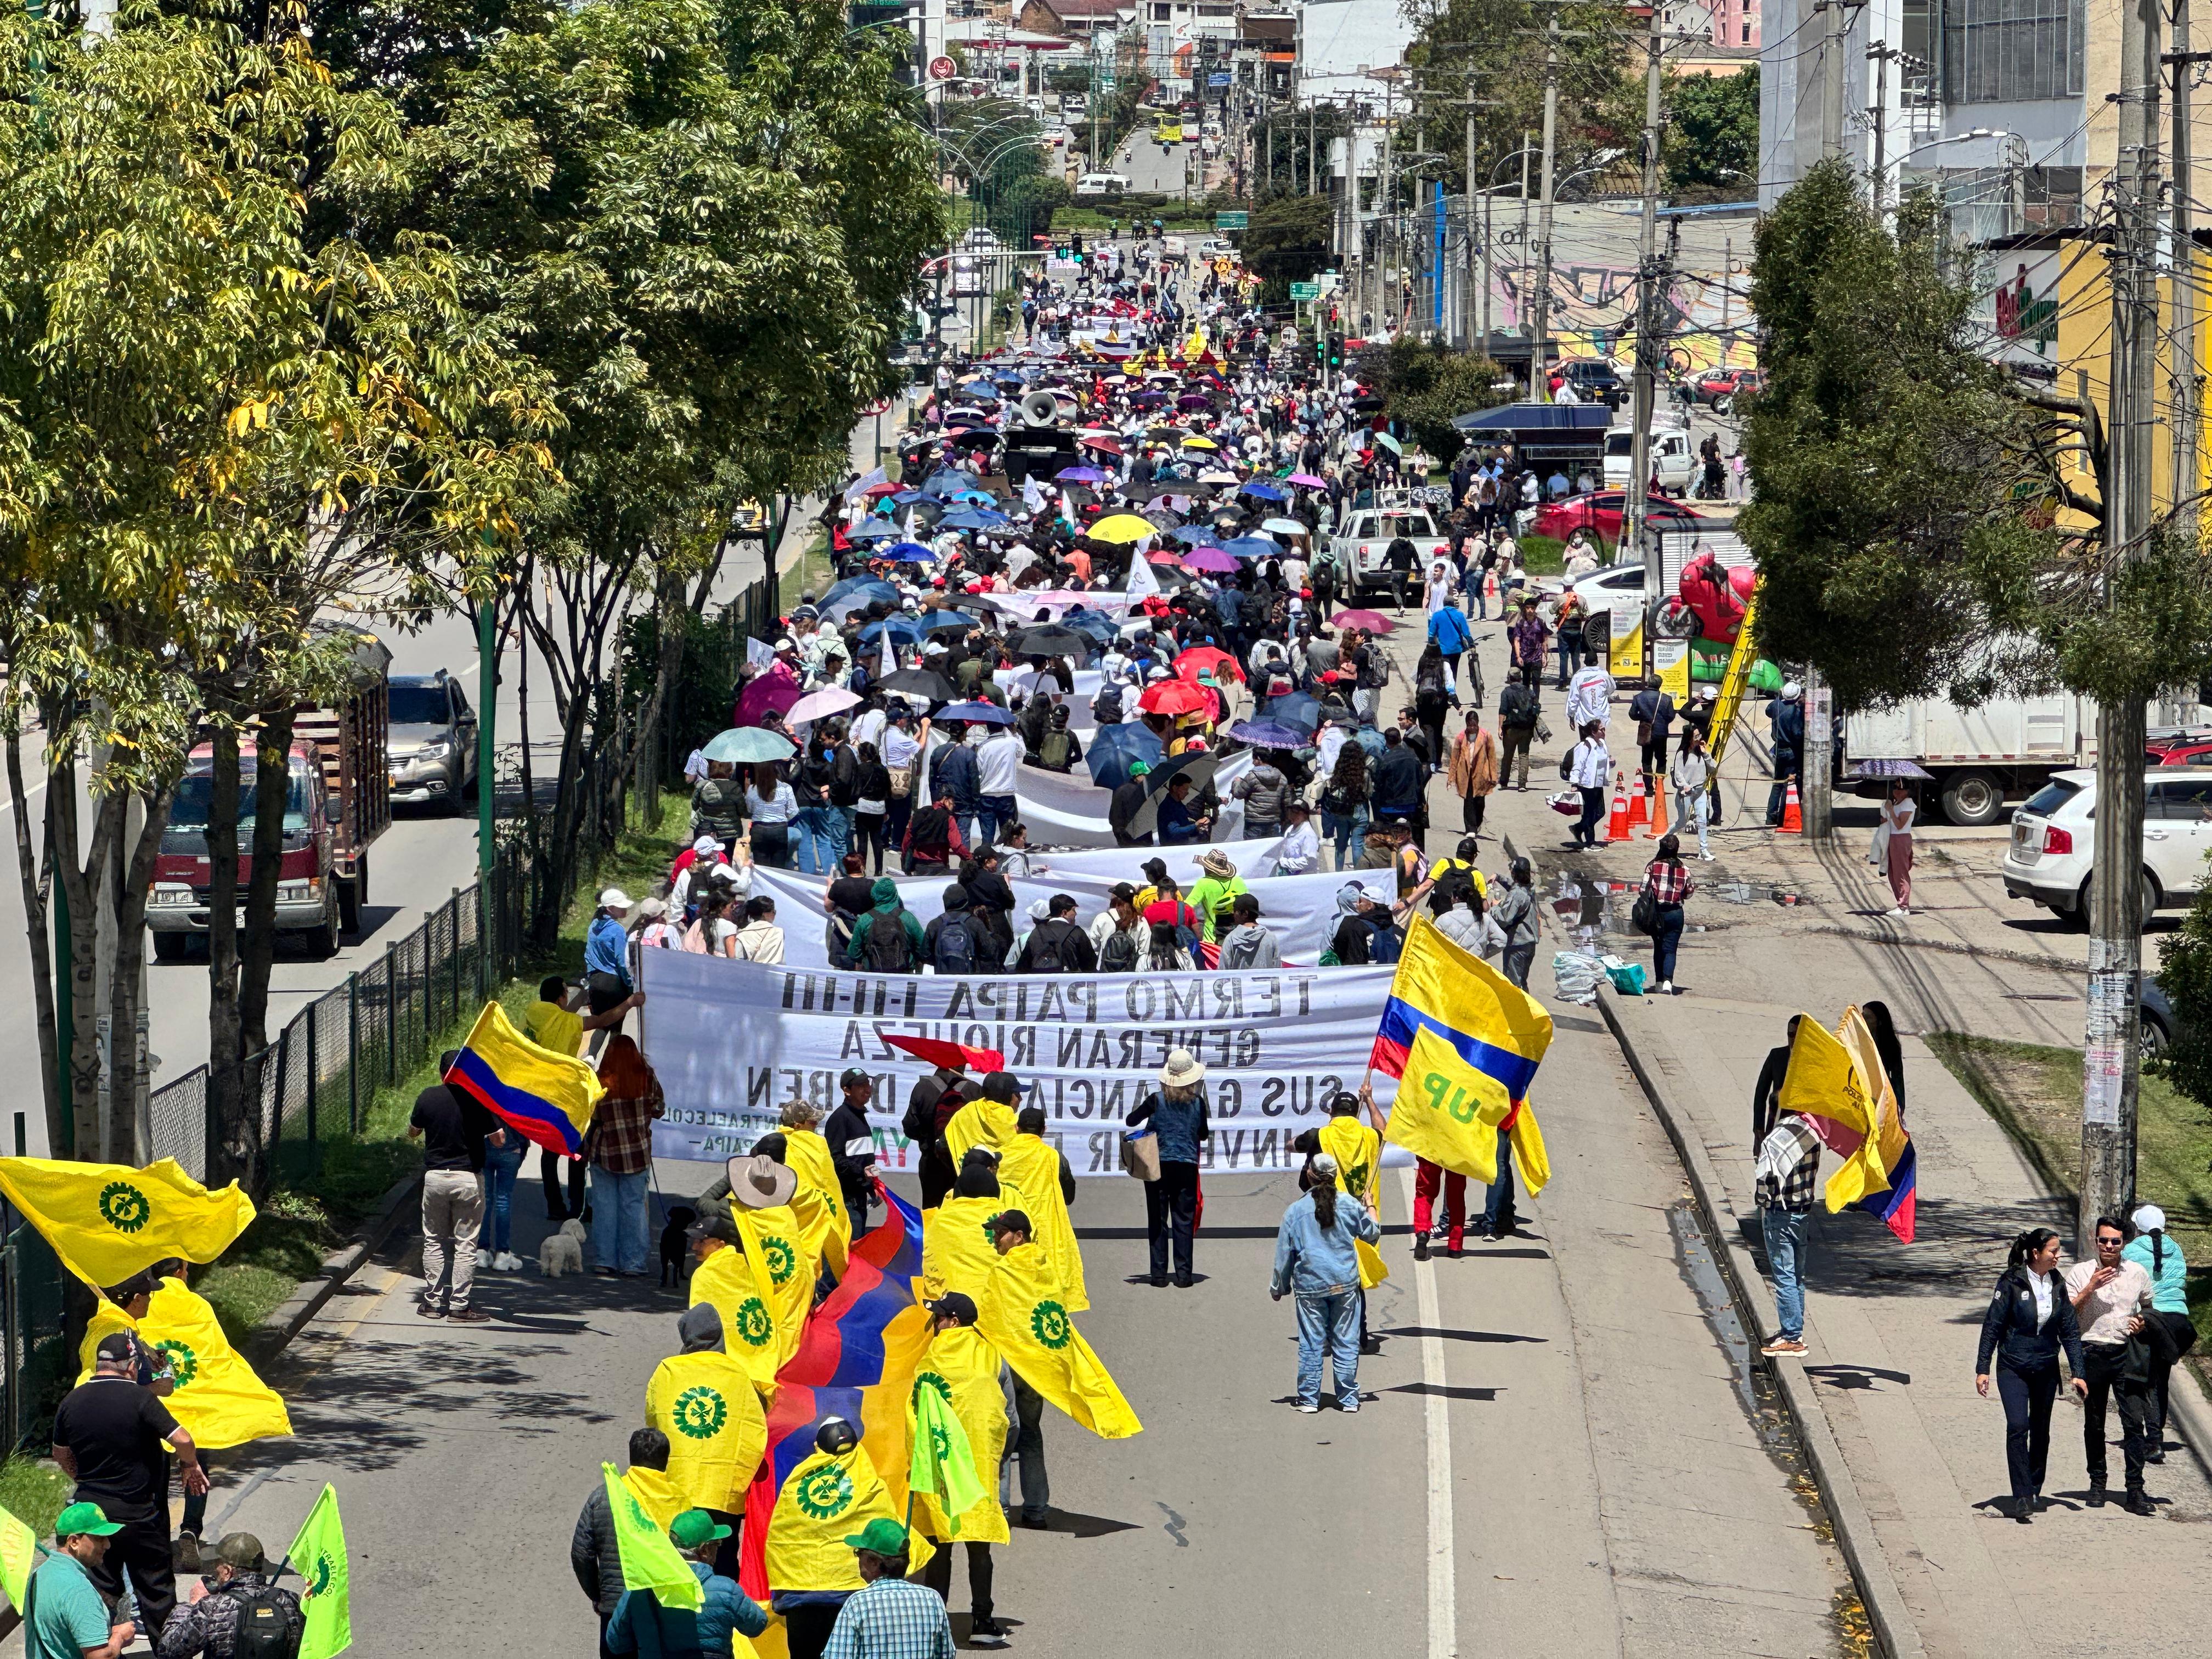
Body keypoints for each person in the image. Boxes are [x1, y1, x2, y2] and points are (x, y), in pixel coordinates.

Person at [51, 1337, 208, 1643]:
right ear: (132, 1366)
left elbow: (60, 1453)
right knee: (156, 1592)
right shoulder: (140, 1398)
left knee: (102, 1592)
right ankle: (166, 1649)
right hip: (141, 1515)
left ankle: (101, 1647)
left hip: (93, 1517)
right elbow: (184, 1440)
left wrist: (83, 1478)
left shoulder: (72, 1401)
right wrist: (190, 1466)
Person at [911, 1294, 1008, 1648]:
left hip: (938, 1469)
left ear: (953, 1321)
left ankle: (935, 1625)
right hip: (978, 1468)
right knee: (979, 1547)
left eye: (938, 1318)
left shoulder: (926, 1361)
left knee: (940, 1547)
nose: (934, 1325)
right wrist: (994, 1459)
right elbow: (1008, 1419)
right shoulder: (992, 1357)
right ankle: (982, 1619)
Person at [1975, 1228, 2088, 1523]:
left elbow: (2069, 1331)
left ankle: (2035, 1486)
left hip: (2046, 1368)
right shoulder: (2011, 1282)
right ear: (2036, 1254)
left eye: (2058, 1250)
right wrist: (1982, 1369)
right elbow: (1992, 1326)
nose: (2058, 1256)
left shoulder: (2058, 1284)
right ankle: (2022, 1495)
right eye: (2053, 1251)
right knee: (2018, 1426)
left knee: (2041, 1430)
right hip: (2013, 1366)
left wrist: (2078, 1372)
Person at [1270, 1152, 1380, 1413]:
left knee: (1311, 1342)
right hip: (1344, 1284)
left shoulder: (1295, 1211)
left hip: (1310, 1286)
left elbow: (1284, 1255)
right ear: (1334, 1177)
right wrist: (1371, 1207)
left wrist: (1279, 1287)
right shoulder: (1350, 1205)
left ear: (1310, 1175)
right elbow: (1373, 1235)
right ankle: (1348, 1399)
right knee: (1346, 1340)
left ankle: (1309, 1399)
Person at [2066, 1215, 2157, 1513]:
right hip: (2091, 1352)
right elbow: (2065, 1315)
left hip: (2125, 1354)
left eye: (2115, 1241)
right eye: (2103, 1240)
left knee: (2134, 1423)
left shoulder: (2137, 1273)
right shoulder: (2080, 1273)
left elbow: (2148, 1308)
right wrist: (2090, 1288)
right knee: (2095, 1423)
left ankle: (2135, 1490)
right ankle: (2097, 1483)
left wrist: (2142, 1323)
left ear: (2124, 1244)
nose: (2108, 1246)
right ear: (2095, 1241)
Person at [408, 1053, 505, 1322]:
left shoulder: (428, 1097)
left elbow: (413, 1131)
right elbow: (499, 1140)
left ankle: (431, 1302)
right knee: (465, 1244)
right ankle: (459, 1306)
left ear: (442, 1074)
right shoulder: (477, 1099)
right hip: (468, 1179)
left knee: (433, 1240)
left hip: (436, 1178)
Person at [605, 1509, 770, 1658]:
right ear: (704, 1551)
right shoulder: (726, 1590)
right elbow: (757, 1625)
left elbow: (615, 1642)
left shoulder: (639, 1588)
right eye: (717, 1545)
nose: (718, 1550)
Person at [1127, 1049, 1210, 1287]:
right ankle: (1184, 1276)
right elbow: (1203, 1134)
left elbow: (1131, 1121)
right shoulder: (1198, 1103)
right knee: (1183, 1220)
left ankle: (1159, 1276)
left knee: (1158, 1219)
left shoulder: (1155, 1100)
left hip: (1157, 1165)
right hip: (1185, 1166)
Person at [153, 1532, 303, 1659]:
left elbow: (168, 1652)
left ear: (227, 1571)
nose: (213, 1569)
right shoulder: (290, 1601)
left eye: (216, 1565)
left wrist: (191, 1605)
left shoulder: (212, 1608)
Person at [588, 1035, 665, 1278]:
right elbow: (660, 1108)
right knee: (634, 1208)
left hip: (605, 1152)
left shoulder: (602, 1080)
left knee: (604, 1208)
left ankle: (605, 1260)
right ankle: (633, 1262)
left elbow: (592, 1114)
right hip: (637, 1152)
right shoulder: (646, 1076)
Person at [820, 1519, 952, 1659]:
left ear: (874, 1563)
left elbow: (837, 1656)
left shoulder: (858, 1604)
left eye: (859, 1553)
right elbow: (946, 1654)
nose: (858, 1560)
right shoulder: (932, 1599)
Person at [2123, 1204, 2193, 1460]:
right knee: (2161, 1378)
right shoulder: (2177, 1249)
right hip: (2177, 1321)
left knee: (2143, 1379)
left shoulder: (2130, 1251)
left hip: (2150, 1319)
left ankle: (2151, 1440)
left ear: (2137, 1228)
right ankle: (2156, 1434)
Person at [24, 1503, 136, 1659]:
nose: (108, 1545)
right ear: (74, 1542)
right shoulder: (79, 1590)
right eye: (100, 1539)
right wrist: (120, 1637)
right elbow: (100, 1657)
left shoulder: (39, 1574)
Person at [1753, 1105, 1820, 1357]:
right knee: (1797, 1276)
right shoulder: (1812, 1133)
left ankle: (1792, 1337)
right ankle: (1793, 1331)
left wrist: (1762, 1202)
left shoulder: (1778, 1139)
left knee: (1784, 1276)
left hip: (1779, 1213)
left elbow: (1766, 1179)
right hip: (1802, 1212)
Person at [1639, 833, 1695, 994]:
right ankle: (1668, 984)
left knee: (1658, 948)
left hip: (1657, 914)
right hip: (1676, 914)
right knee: (1671, 949)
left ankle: (1658, 983)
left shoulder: (1653, 866)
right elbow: (1689, 893)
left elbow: (1643, 889)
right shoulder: (1685, 869)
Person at [824, 1069, 879, 1227]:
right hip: (847, 1201)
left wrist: (873, 1187)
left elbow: (863, 1159)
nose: (867, 1089)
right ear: (847, 1091)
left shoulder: (859, 1117)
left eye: (867, 1084)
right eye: (860, 1085)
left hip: (860, 1198)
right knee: (850, 1249)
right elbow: (835, 1158)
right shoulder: (840, 1118)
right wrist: (862, 1173)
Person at [586, 887, 638, 1044]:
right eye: (621, 906)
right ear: (610, 909)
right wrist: (629, 985)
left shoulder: (594, 925)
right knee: (616, 1026)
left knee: (601, 1024)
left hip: (595, 981)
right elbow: (621, 962)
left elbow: (588, 956)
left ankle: (591, 1057)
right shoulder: (617, 930)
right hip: (613, 984)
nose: (626, 909)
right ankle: (611, 1064)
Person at [846, 877, 926, 974]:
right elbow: (923, 949)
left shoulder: (864, 920)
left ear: (874, 894)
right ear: (895, 894)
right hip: (904, 977)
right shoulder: (908, 918)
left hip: (874, 977)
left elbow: (854, 954)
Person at [1014, 893, 1096, 973]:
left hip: (1042, 984)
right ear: (1064, 913)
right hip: (1068, 984)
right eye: (1073, 910)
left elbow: (1023, 966)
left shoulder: (1036, 933)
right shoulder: (1076, 933)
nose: (1076, 914)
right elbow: (1090, 965)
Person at [1447, 709, 1497, 836]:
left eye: (1474, 725)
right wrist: (1451, 777)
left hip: (1481, 775)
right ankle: (1470, 828)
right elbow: (1455, 758)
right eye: (1470, 725)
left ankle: (1477, 823)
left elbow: (1492, 757)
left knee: (1480, 802)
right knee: (1468, 801)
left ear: (1478, 724)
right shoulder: (1461, 737)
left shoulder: (1486, 736)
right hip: (1465, 774)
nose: (1472, 728)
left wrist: (1494, 775)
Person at [1491, 857, 1538, 990]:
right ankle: (1527, 1008)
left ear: (1514, 873)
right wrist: (1499, 878)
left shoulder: (1517, 895)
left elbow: (1505, 918)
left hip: (1518, 944)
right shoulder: (1529, 888)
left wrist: (1494, 907)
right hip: (1529, 943)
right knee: (1522, 981)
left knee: (1513, 985)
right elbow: (1515, 886)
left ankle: (1516, 1010)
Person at [1669, 727, 1715, 860]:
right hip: (1687, 793)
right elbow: (1678, 774)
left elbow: (1713, 768)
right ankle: (1666, 837)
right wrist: (1685, 785)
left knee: (1702, 820)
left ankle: (1704, 850)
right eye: (1696, 736)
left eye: (1699, 735)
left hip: (1701, 791)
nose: (1699, 738)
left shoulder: (1701, 754)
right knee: (1682, 823)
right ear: (1690, 738)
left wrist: (1706, 754)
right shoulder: (1681, 755)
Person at [1765, 682, 1805, 826]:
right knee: (1789, 784)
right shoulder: (1795, 712)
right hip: (1791, 752)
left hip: (1779, 750)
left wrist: (1779, 697)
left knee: (1777, 783)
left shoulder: (1777, 707)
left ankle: (1771, 816)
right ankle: (1782, 818)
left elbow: (1768, 710)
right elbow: (1797, 734)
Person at [1566, 722, 1610, 849]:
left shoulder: (1602, 745)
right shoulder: (1584, 746)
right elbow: (1578, 765)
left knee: (1600, 812)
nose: (1604, 732)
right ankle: (1590, 842)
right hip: (1586, 785)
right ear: (1593, 732)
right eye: (1601, 730)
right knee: (1589, 813)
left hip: (1598, 784)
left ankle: (1578, 828)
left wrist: (1611, 763)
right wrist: (1574, 784)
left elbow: (1602, 763)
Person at [1628, 682, 1674, 798]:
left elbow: (1632, 714)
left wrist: (1643, 718)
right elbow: (1671, 716)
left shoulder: (1639, 697)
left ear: (1648, 684)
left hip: (1646, 732)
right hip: (1661, 733)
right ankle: (1659, 784)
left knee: (1646, 760)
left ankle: (1649, 787)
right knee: (1661, 759)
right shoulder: (1666, 699)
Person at [1880, 778, 1916, 918]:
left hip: (1901, 839)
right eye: (1895, 788)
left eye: (1901, 789)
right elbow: (1889, 822)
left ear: (1907, 791)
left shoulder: (1908, 804)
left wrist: (1891, 811)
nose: (1897, 792)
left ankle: (1904, 906)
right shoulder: (1895, 803)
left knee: (1901, 873)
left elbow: (1900, 825)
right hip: (1891, 838)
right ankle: (1900, 902)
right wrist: (1886, 813)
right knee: (1892, 873)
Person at [1496, 676, 1538, 792]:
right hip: (1526, 729)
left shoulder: (1506, 692)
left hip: (1511, 729)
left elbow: (1503, 711)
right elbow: (1536, 708)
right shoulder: (1529, 691)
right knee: (1524, 755)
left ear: (1510, 679)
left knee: (1508, 755)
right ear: (1520, 678)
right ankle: (1522, 784)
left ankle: (1504, 782)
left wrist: (1500, 727)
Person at [1217, 893, 1280, 969]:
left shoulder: (1231, 939)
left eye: (1235, 911)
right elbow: (1278, 970)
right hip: (1265, 981)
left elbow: (1223, 971)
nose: (1233, 914)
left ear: (1245, 914)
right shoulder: (1271, 938)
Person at [1506, 597, 1550, 689]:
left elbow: (1544, 640)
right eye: (1528, 608)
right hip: (1525, 657)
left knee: (1536, 682)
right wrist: (1518, 657)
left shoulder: (1540, 622)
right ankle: (1527, 702)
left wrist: (1545, 656)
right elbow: (1517, 640)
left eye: (1532, 608)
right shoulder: (1521, 623)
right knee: (1526, 683)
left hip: (1537, 657)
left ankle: (1536, 702)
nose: (1530, 610)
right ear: (1525, 608)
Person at [1109, 759, 1154, 845]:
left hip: (1128, 836)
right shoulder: (1133, 792)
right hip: (1133, 838)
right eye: (1146, 775)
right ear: (1137, 776)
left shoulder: (1125, 790)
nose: (1149, 778)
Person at [730, 894, 786, 963]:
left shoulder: (742, 933)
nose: (774, 915)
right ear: (764, 914)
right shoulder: (776, 932)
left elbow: (737, 959)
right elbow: (773, 963)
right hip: (764, 972)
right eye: (774, 912)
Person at [1274, 799, 1321, 875]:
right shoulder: (1290, 829)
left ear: (1305, 815)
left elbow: (1309, 862)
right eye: (1292, 812)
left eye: (1297, 813)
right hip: (1290, 873)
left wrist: (1284, 862)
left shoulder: (1309, 834)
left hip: (1304, 877)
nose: (1293, 815)